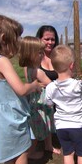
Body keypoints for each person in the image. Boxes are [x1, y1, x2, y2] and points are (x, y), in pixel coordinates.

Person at [0, 13, 43, 164]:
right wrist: (34, 85)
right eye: (17, 39)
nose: (19, 43)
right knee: (21, 152)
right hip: (11, 117)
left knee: (9, 154)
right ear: (3, 38)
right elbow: (20, 89)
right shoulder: (2, 61)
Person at [18, 36, 56, 159]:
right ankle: (30, 153)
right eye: (39, 52)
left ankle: (48, 146)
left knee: (45, 125)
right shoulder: (38, 71)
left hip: (35, 102)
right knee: (38, 130)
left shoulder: (29, 68)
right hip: (41, 104)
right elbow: (51, 84)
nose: (42, 54)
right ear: (30, 54)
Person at [35, 25, 61, 154]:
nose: (50, 42)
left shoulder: (58, 55)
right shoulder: (35, 57)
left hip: (60, 93)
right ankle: (47, 144)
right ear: (39, 39)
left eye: (53, 39)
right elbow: (31, 77)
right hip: (44, 97)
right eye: (47, 39)